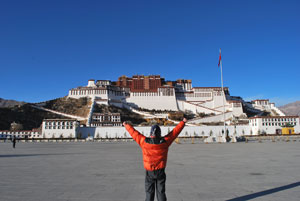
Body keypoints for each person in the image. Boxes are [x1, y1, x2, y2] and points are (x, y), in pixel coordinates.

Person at [123, 118, 187, 201]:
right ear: (159, 133)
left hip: (149, 172)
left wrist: (126, 125)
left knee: (149, 192)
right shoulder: (165, 142)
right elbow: (174, 133)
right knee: (161, 192)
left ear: (151, 133)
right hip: (160, 171)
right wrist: (183, 122)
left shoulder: (144, 142)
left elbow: (134, 134)